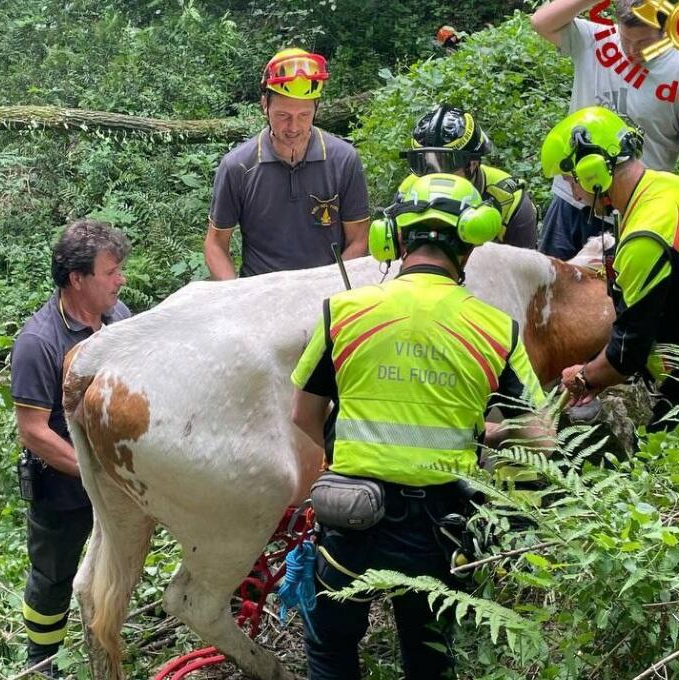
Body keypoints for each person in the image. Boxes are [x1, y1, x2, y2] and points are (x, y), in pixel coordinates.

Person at [291, 173, 554, 679]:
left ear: (395, 239)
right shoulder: (496, 329)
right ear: (470, 246)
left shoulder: (343, 313)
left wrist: (345, 447)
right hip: (439, 528)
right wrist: (487, 435)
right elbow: (541, 437)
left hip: (349, 516)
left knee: (331, 650)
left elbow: (302, 416)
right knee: (428, 657)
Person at [540, 107, 679, 429]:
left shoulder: (645, 238)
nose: (574, 193)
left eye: (571, 180)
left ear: (591, 172)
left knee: (658, 469)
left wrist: (584, 377)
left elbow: (627, 352)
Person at [10, 220, 131, 674]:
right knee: (53, 578)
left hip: (117, 481)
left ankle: (105, 637)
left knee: (114, 566)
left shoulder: (120, 319)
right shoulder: (39, 342)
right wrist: (92, 471)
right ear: (77, 279)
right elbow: (34, 431)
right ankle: (42, 661)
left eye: (120, 270)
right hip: (64, 487)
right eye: (111, 271)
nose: (121, 280)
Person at [531, 0, 679, 260]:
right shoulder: (594, 41)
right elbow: (541, 21)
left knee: (616, 296)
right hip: (572, 199)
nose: (632, 51)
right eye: (625, 39)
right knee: (552, 287)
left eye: (644, 43)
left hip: (634, 211)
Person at [204, 48, 371, 279]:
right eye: (283, 116)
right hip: (260, 291)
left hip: (325, 290)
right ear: (265, 105)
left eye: (303, 115)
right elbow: (216, 244)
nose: (293, 127)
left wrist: (330, 289)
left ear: (316, 109)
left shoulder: (343, 160)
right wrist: (234, 293)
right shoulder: (238, 166)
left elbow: (359, 240)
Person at [399, 104, 538, 248]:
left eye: (445, 163)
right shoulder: (406, 192)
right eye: (422, 163)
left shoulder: (508, 199)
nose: (433, 175)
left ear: (473, 163)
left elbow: (522, 266)